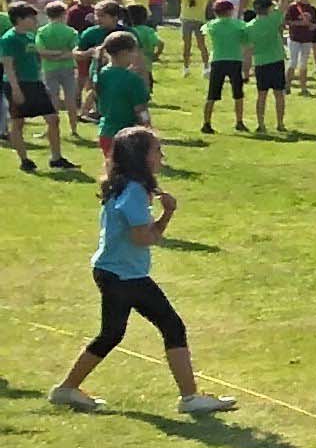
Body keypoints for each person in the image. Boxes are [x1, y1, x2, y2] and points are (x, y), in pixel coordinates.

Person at [50, 125, 232, 416]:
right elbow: (143, 238)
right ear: (141, 157)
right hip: (123, 276)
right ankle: (189, 398)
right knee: (170, 326)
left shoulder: (126, 185)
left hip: (116, 272)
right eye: (156, 150)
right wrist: (168, 213)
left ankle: (66, 389)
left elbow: (144, 236)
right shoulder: (134, 191)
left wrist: (163, 216)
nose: (162, 155)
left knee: (113, 334)